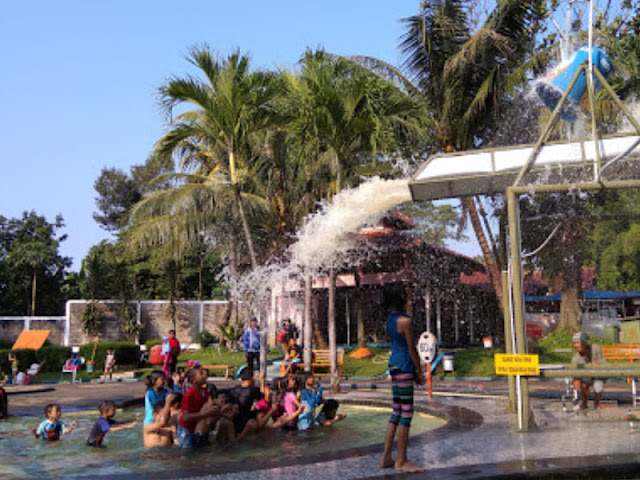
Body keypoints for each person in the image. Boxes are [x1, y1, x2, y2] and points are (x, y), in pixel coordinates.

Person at [380, 285, 426, 473]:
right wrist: (419, 371)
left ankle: (386, 458)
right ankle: (401, 460)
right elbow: (411, 349)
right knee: (406, 414)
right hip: (406, 367)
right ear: (401, 299)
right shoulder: (405, 321)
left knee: (396, 412)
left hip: (394, 366)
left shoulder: (389, 321)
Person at [177, 367, 220, 448]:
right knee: (186, 453)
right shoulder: (189, 395)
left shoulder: (205, 391)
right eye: (201, 373)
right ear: (194, 380)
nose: (205, 374)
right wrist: (206, 414)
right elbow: (186, 417)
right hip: (186, 430)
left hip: (197, 427)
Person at [571, 331, 606, 410]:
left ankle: (596, 403)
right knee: (583, 383)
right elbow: (574, 373)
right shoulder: (575, 359)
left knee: (598, 387)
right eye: (574, 343)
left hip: (598, 374)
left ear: (583, 343)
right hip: (586, 376)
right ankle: (584, 403)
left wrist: (598, 364)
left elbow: (604, 362)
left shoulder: (596, 348)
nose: (575, 346)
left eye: (577, 343)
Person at [228, 367, 262, 434]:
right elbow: (264, 396)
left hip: (233, 424)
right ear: (252, 378)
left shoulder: (234, 390)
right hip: (246, 424)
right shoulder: (253, 390)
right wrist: (262, 380)